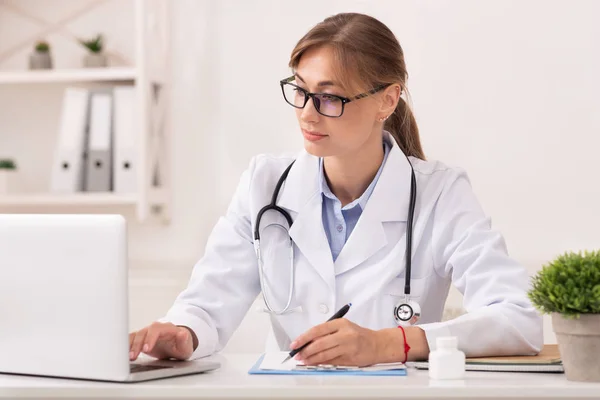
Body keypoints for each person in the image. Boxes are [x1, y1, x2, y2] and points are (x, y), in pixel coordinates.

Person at [129, 12, 543, 367]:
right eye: (300, 90)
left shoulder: (440, 193)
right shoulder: (265, 185)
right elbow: (207, 303)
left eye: (329, 98)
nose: (307, 114)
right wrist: (184, 332)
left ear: (387, 100)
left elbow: (519, 318)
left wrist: (389, 343)